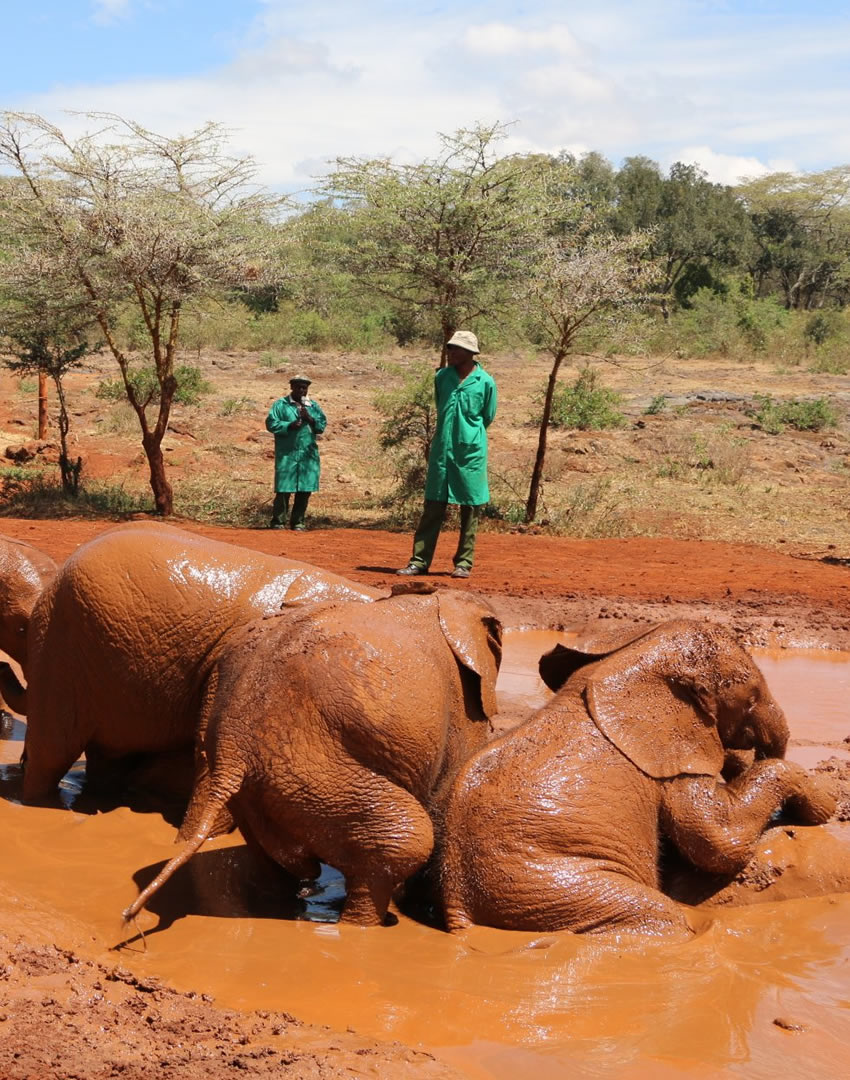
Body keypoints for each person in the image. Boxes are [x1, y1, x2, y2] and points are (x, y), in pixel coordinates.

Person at [397, 330, 497, 579]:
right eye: (449, 347)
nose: (449, 352)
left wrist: (468, 435)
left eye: (455, 348)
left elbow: (487, 416)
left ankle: (463, 563)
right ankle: (419, 561)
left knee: (471, 508)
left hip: (470, 453)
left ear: (469, 353)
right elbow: (440, 405)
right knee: (433, 506)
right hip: (442, 451)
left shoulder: (485, 382)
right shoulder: (441, 377)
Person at [265, 375, 327, 530]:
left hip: (308, 455)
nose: (301, 390)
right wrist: (289, 425)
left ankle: (298, 522)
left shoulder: (313, 406)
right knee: (284, 488)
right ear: (291, 387)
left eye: (304, 388)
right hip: (287, 453)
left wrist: (310, 419)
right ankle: (278, 522)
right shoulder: (281, 405)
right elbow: (271, 423)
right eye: (298, 387)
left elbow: (321, 425)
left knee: (305, 490)